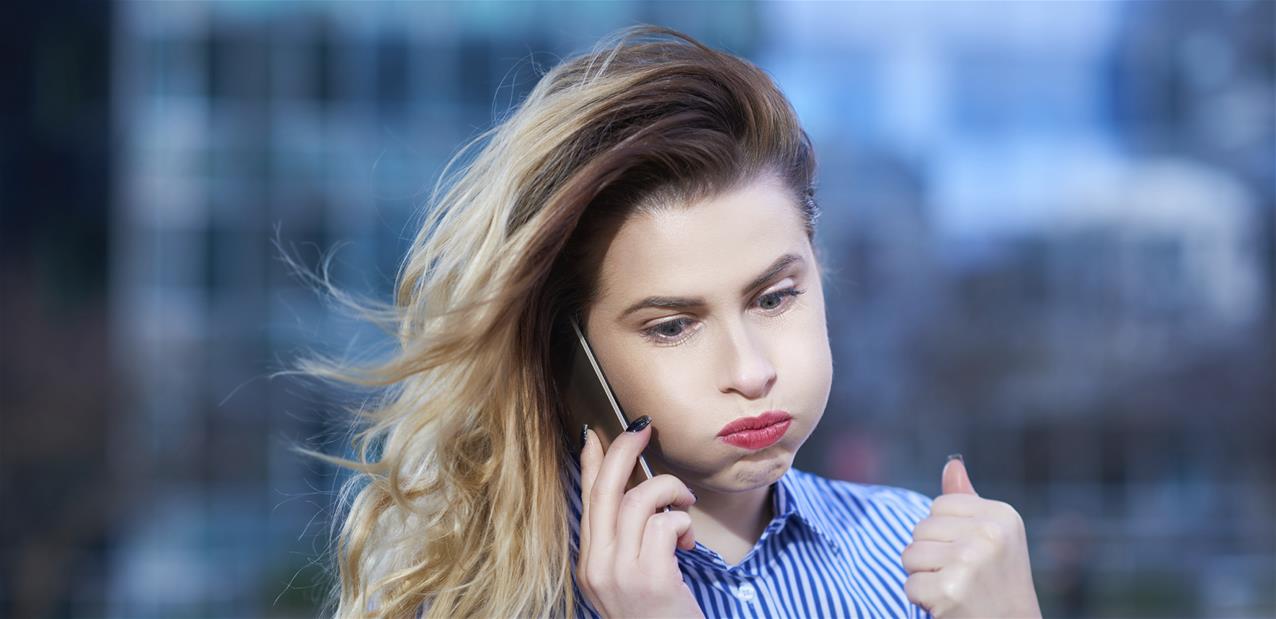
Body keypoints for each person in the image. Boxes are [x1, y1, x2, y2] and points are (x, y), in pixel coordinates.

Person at [288, 24, 1042, 618]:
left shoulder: (927, 563)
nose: (751, 371)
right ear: (571, 356)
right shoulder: (467, 600)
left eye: (774, 297)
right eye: (673, 326)